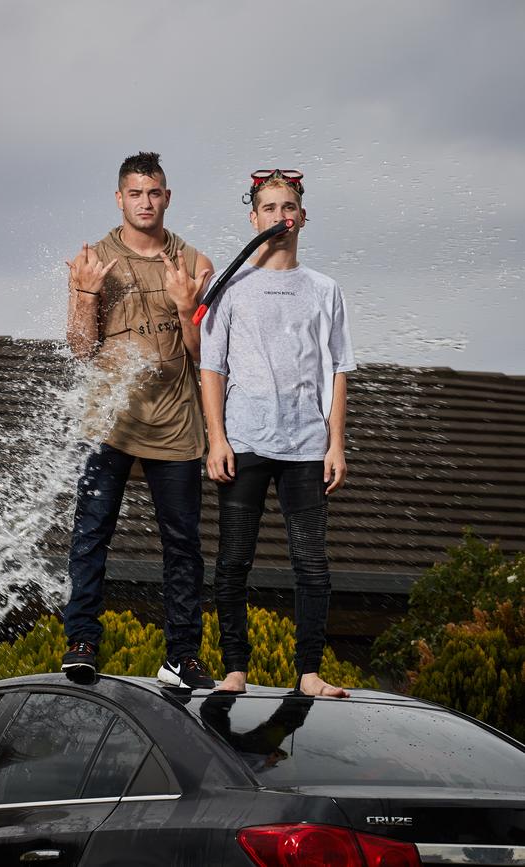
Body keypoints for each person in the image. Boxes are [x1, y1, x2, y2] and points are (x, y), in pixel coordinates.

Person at [200, 169, 356, 697]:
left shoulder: (324, 289)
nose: (279, 218)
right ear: (254, 218)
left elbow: (338, 368)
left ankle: (308, 672)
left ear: (302, 218)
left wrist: (336, 443)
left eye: (288, 208)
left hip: (307, 445)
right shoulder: (230, 286)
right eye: (269, 209)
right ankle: (235, 669)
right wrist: (216, 438)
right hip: (243, 441)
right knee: (233, 559)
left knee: (311, 560)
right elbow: (211, 368)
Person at [62, 151, 215, 689]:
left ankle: (182, 655)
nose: (145, 203)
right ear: (120, 198)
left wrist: (183, 308)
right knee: (91, 534)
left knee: (184, 543)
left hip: (175, 421)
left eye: (154, 193)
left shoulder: (194, 264)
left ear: (167, 197)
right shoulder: (95, 259)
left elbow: (203, 356)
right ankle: (81, 640)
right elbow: (81, 350)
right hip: (111, 420)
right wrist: (84, 293)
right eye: (135, 194)